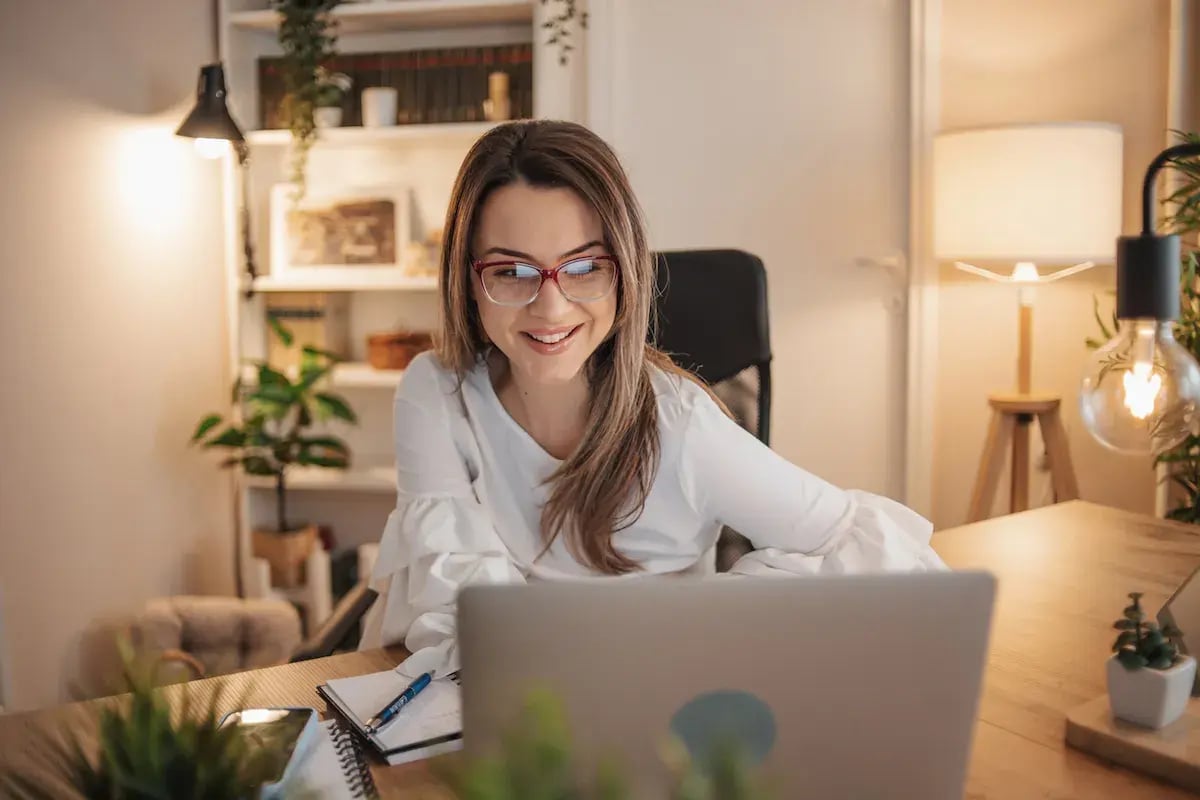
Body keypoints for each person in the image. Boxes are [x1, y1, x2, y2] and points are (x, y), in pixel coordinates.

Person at [359, 120, 944, 673]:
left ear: (625, 273)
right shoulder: (435, 391)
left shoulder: (680, 426)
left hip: (647, 700)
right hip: (504, 698)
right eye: (512, 272)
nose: (551, 308)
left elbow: (863, 546)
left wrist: (713, 618)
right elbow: (462, 603)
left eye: (584, 266)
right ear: (468, 279)